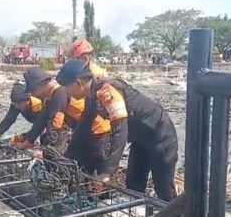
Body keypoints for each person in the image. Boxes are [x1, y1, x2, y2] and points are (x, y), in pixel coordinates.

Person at [56, 59, 178, 202]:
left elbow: (120, 130)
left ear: (78, 83)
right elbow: (82, 128)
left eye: (67, 88)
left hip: (160, 134)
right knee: (133, 185)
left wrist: (107, 172)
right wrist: (66, 159)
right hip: (140, 139)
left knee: (163, 189)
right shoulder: (91, 97)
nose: (67, 94)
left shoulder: (107, 91)